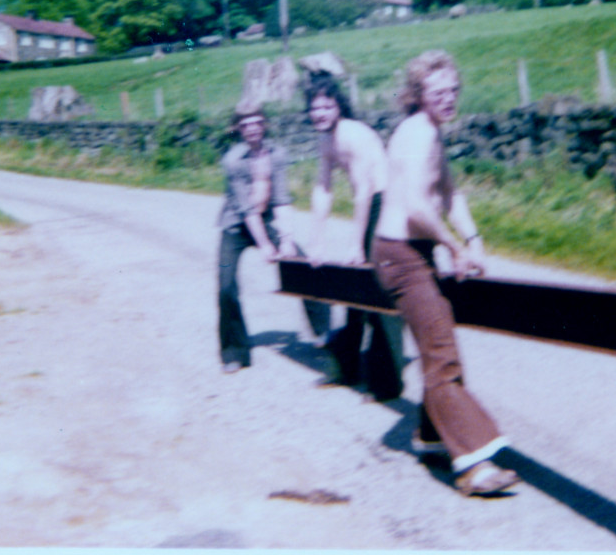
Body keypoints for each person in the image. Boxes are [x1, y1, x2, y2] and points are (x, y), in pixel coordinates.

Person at [371, 50, 519, 498]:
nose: (449, 99)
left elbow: (448, 192)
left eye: (454, 90)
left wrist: (472, 239)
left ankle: (432, 437)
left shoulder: (432, 133)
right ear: (418, 96)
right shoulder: (416, 134)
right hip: (400, 253)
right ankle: (474, 464)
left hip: (413, 251)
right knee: (441, 353)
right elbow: (417, 207)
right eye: (438, 93)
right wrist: (454, 247)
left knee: (438, 343)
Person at [305, 73, 404, 399]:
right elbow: (323, 189)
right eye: (314, 107)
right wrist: (316, 240)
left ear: (338, 107)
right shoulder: (325, 139)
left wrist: (353, 245)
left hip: (386, 202)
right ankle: (346, 369)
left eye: (326, 106)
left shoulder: (352, 135)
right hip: (371, 201)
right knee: (354, 289)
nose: (319, 113)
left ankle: (387, 382)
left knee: (377, 289)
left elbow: (363, 191)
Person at [216, 109, 329, 373]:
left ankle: (324, 333)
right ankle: (234, 352)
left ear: (264, 124)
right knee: (226, 285)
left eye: (257, 122)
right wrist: (266, 245)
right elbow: (246, 210)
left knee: (303, 264)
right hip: (235, 225)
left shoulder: (277, 154)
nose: (253, 128)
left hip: (265, 220)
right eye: (246, 124)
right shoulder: (233, 160)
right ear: (238, 128)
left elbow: (281, 198)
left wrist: (286, 239)